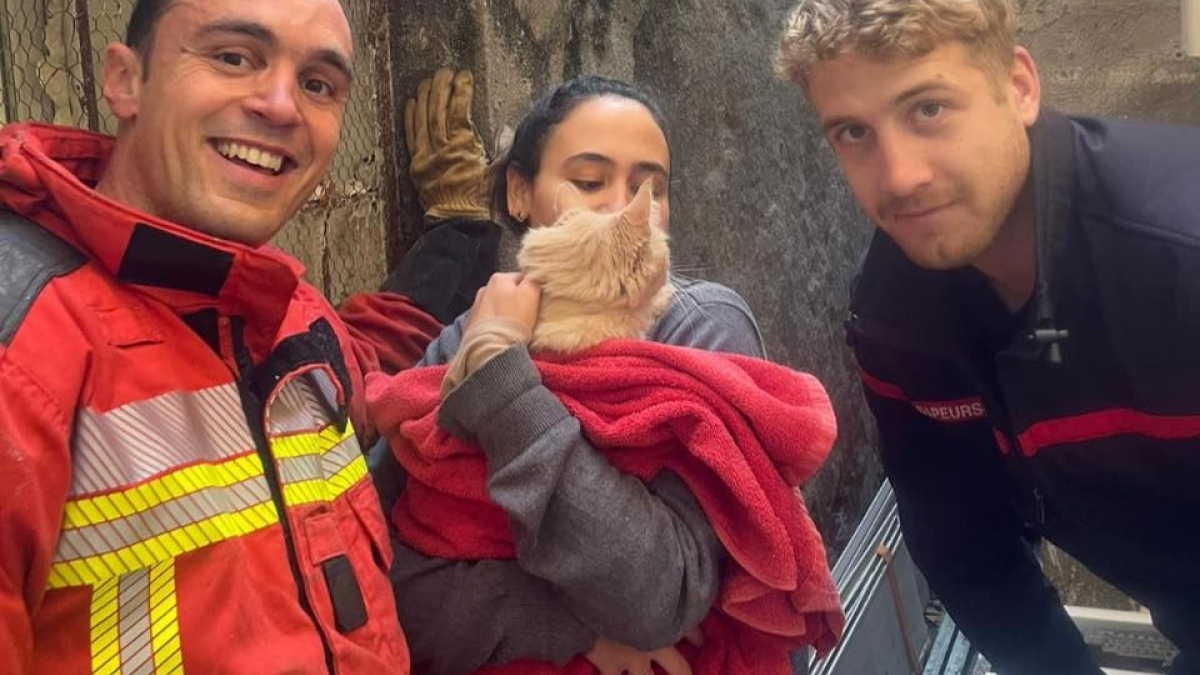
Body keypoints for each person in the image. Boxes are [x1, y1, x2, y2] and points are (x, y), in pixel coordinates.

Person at [0, 0, 492, 672]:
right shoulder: (24, 345)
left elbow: (369, 357)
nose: (282, 105)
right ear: (125, 81)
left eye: (318, 83)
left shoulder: (289, 314)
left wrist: (460, 231)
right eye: (234, 57)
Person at [775, 0, 1200, 673]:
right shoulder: (896, 319)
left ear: (1020, 87)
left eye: (928, 110)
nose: (899, 176)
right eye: (854, 132)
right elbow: (965, 547)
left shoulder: (1180, 255)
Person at [370, 75, 788, 675]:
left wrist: (502, 387)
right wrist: (568, 629)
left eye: (651, 189)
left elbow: (657, 598)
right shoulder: (470, 332)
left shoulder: (699, 330)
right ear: (520, 194)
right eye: (590, 181)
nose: (624, 207)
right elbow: (383, 568)